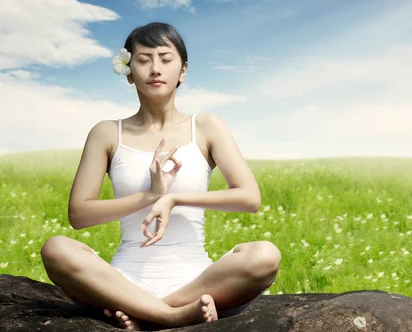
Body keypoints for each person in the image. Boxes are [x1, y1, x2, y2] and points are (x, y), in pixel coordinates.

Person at [39, 22, 281, 330]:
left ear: (182, 71)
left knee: (265, 255)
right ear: (128, 71)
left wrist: (173, 198)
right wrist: (149, 195)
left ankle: (146, 313)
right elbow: (79, 214)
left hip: (197, 282)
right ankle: (171, 316)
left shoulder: (207, 127)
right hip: (125, 278)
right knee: (56, 249)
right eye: (143, 59)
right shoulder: (107, 132)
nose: (155, 69)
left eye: (166, 59)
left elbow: (249, 198)